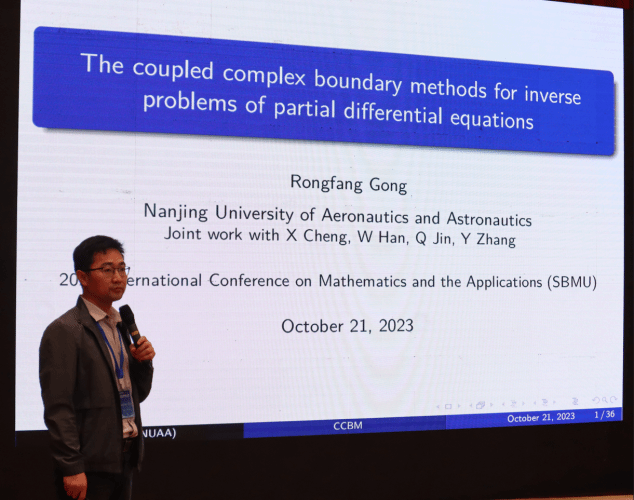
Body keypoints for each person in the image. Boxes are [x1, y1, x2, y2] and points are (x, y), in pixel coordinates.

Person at [39, 236, 155, 500]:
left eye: (122, 268)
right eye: (107, 270)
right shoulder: (65, 330)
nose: (118, 277)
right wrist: (71, 466)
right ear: (83, 276)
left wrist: (143, 364)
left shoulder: (120, 325)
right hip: (89, 467)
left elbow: (137, 395)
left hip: (123, 460)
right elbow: (59, 407)